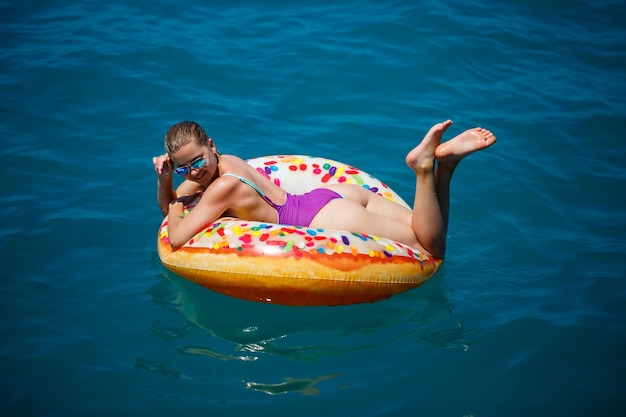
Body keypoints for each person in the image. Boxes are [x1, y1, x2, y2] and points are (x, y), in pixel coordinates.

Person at [153, 120, 496, 258]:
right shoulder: (226, 162)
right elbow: (177, 197)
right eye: (183, 167)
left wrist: (174, 208)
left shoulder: (219, 189)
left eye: (196, 161)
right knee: (428, 227)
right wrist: (166, 179)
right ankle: (447, 165)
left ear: (210, 146)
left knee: (431, 248)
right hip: (331, 194)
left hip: (326, 216)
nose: (193, 172)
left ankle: (423, 168)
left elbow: (178, 235)